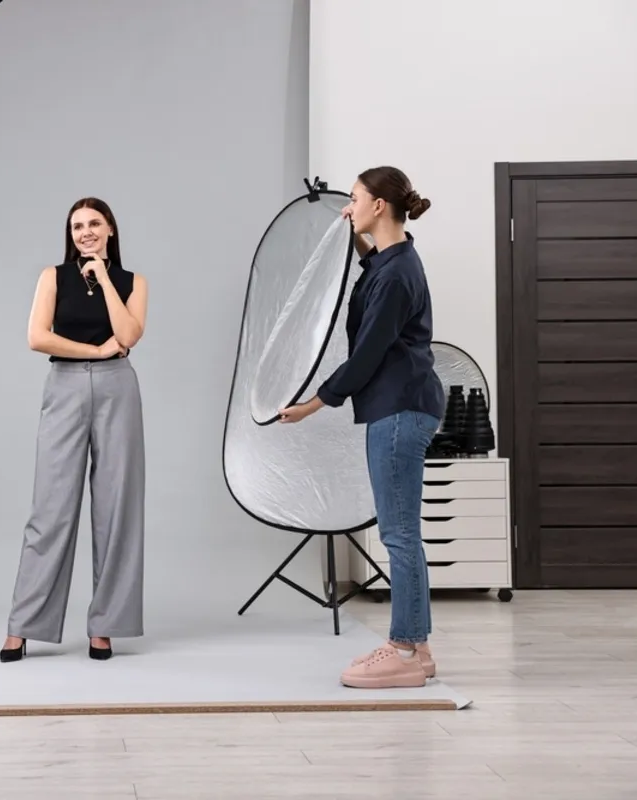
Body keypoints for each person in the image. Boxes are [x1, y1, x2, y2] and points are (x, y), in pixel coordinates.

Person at [276, 166, 444, 690]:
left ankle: (404, 649)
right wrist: (349, 232)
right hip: (402, 405)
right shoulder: (395, 259)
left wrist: (313, 405)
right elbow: (373, 270)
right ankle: (418, 648)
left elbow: (368, 353)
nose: (349, 207)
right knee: (403, 532)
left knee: (398, 534)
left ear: (378, 206)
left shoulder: (395, 276)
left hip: (399, 409)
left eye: (353, 198)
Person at [0, 197, 148, 663]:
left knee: (117, 506)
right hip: (64, 385)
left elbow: (129, 335)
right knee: (51, 508)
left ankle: (105, 626)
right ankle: (23, 625)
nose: (85, 232)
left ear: (110, 230)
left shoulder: (133, 282)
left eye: (94, 224)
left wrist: (102, 276)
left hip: (118, 388)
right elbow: (37, 337)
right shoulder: (53, 276)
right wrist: (95, 352)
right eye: (77, 226)